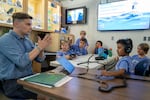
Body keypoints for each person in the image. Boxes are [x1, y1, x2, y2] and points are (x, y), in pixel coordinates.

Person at [0, 12, 51, 99]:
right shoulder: (5, 40)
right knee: (45, 95)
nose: (31, 27)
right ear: (16, 24)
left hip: (27, 78)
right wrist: (39, 47)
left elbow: (40, 60)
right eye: (28, 24)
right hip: (12, 82)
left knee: (51, 88)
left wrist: (41, 50)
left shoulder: (27, 40)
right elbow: (21, 62)